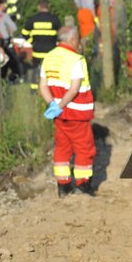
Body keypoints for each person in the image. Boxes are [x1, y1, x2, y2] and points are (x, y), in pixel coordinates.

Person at [39, 25, 96, 197]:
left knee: (62, 148)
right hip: (77, 113)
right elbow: (74, 89)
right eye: (78, 39)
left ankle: (63, 186)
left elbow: (43, 86)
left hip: (59, 115)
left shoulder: (48, 57)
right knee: (84, 149)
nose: (79, 42)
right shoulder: (75, 59)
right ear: (72, 40)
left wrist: (53, 106)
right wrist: (62, 105)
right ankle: (83, 184)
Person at [21, 0, 61, 91]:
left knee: (36, 71)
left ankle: (34, 91)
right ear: (49, 6)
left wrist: (32, 41)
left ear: (38, 7)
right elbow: (60, 35)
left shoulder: (33, 19)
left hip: (37, 51)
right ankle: (51, 91)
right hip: (51, 52)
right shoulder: (54, 19)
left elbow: (24, 33)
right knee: (51, 72)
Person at [0, 0, 23, 82]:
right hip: (4, 40)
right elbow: (13, 28)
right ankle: (14, 76)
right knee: (11, 59)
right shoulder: (4, 15)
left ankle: (0, 77)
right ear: (0, 5)